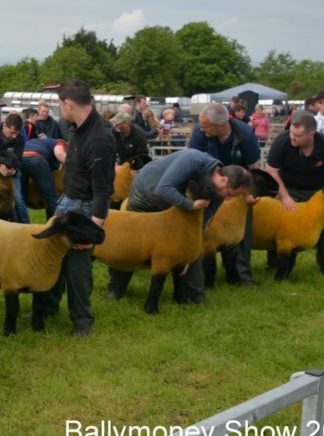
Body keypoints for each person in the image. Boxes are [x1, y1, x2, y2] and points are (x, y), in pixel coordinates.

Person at [106, 149, 252, 303]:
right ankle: (116, 289)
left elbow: (200, 226)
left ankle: (194, 295)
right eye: (229, 193)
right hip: (147, 194)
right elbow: (163, 189)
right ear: (223, 180)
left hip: (177, 201)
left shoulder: (217, 192)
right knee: (133, 242)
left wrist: (189, 253)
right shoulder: (193, 159)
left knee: (188, 241)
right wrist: (191, 205)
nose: (228, 199)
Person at [44, 79, 115, 336]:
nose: (60, 110)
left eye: (61, 105)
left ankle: (82, 321)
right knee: (52, 256)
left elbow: (103, 190)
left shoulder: (99, 139)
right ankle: (49, 307)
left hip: (83, 208)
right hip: (67, 200)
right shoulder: (77, 129)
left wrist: (93, 230)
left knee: (77, 267)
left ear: (69, 104)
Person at [262, 111, 324, 279]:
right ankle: (275, 264)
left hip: (319, 191)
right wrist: (285, 197)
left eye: (298, 135)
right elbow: (271, 171)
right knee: (279, 221)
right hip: (288, 187)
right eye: (292, 133)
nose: (292, 137)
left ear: (311, 134)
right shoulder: (282, 141)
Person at [188, 102, 262, 286]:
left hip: (237, 187)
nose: (202, 130)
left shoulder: (246, 134)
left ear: (220, 126)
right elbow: (191, 161)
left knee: (241, 231)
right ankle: (194, 273)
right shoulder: (199, 132)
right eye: (202, 126)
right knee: (198, 228)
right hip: (207, 186)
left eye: (206, 127)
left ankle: (242, 275)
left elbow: (253, 168)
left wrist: (249, 194)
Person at [20, 136, 63, 218]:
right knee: (51, 196)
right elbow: (58, 155)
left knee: (21, 198)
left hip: (20, 158)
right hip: (36, 159)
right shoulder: (61, 143)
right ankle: (62, 223)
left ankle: (21, 224)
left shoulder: (35, 141)